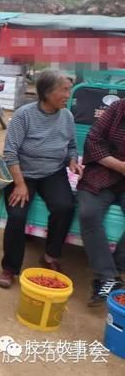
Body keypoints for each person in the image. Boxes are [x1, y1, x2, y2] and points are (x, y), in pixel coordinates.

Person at [0, 70, 82, 288]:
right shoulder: (24, 115)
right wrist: (20, 184)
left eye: (69, 90)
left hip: (53, 172)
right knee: (17, 213)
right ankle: (10, 268)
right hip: (23, 172)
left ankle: (51, 256)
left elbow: (72, 146)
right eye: (64, 90)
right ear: (46, 92)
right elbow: (10, 152)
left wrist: (72, 160)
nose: (68, 95)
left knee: (65, 206)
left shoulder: (67, 116)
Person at [77, 97, 125, 306]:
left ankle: (113, 271)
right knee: (88, 213)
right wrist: (120, 166)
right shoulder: (117, 108)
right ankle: (108, 277)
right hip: (104, 172)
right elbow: (93, 141)